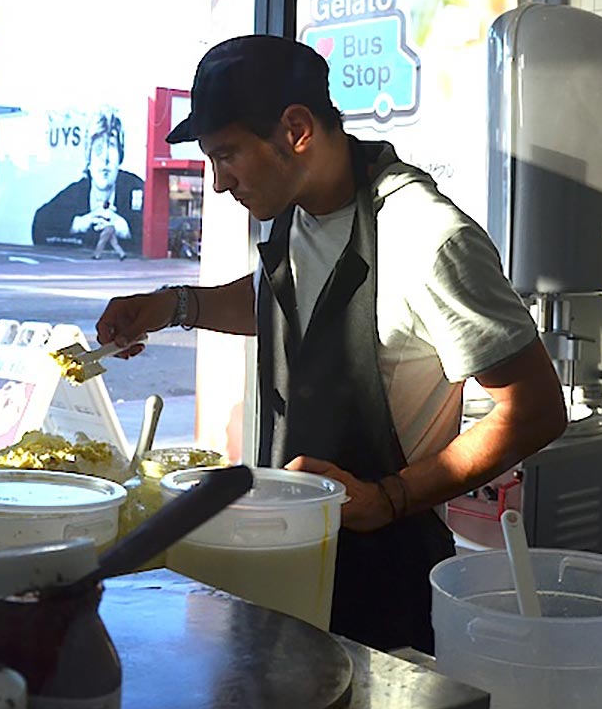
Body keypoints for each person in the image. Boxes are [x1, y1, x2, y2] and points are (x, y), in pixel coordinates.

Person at [95, 35, 566, 652]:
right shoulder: (296, 210)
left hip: (386, 578)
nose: (219, 183)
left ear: (296, 130)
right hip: (292, 550)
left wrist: (390, 497)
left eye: (228, 155)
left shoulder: (426, 236)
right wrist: (175, 305)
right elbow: (285, 306)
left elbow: (534, 408)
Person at [31, 108, 143, 252]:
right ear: (89, 158)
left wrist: (127, 230)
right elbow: (39, 224)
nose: (105, 158)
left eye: (112, 147)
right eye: (98, 149)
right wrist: (77, 224)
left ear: (120, 155)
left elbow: (163, 233)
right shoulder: (76, 192)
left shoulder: (137, 188)